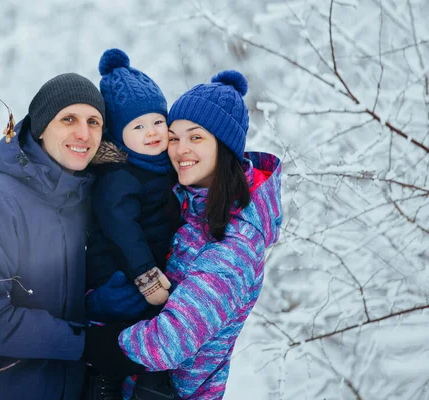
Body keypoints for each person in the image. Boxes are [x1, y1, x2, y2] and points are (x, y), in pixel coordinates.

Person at [84, 70, 283, 399]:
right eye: (174, 137)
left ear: (225, 146)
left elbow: (172, 340)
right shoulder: (186, 203)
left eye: (196, 137)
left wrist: (90, 342)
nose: (180, 149)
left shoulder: (238, 242)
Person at [0, 73, 106, 400]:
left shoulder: (83, 203)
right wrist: (85, 343)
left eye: (94, 122)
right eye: (68, 119)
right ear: (41, 127)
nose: (83, 133)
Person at [83, 49, 178, 399]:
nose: (151, 132)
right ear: (119, 134)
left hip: (146, 264)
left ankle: (149, 383)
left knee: (152, 332)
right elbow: (121, 227)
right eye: (138, 126)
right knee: (125, 326)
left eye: (157, 121)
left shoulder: (159, 164)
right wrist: (146, 276)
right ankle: (103, 381)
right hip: (120, 270)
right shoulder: (119, 175)